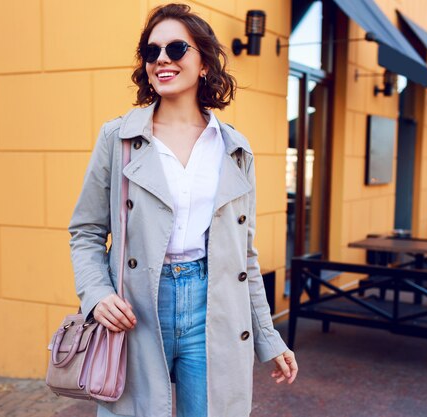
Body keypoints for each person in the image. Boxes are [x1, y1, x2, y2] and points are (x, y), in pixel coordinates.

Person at [68, 3, 298, 417]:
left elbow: (244, 256)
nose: (162, 60)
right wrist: (96, 293)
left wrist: (269, 337)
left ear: (205, 63)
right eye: (151, 52)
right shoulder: (119, 138)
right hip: (137, 309)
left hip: (213, 307)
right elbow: (85, 230)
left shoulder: (234, 149)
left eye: (176, 49)